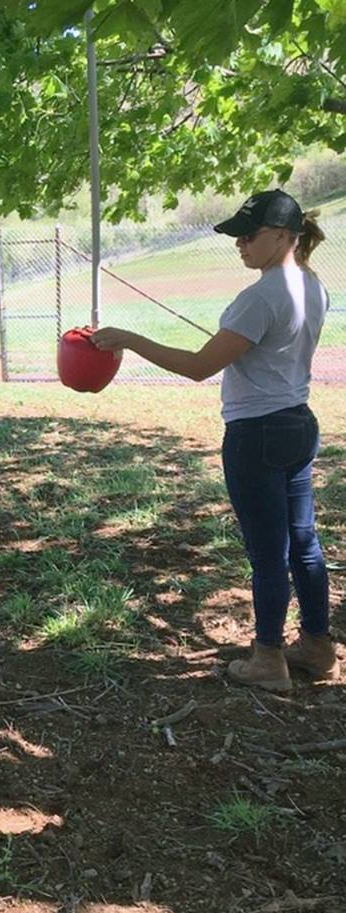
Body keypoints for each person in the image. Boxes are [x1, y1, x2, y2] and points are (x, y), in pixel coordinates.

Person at [90, 188, 338, 692]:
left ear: (285, 237)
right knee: (303, 543)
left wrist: (129, 339)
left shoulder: (262, 295)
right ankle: (317, 644)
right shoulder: (312, 285)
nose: (240, 243)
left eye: (251, 235)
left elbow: (199, 367)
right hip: (298, 423)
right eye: (237, 235)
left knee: (269, 552)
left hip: (257, 433)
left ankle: (269, 658)